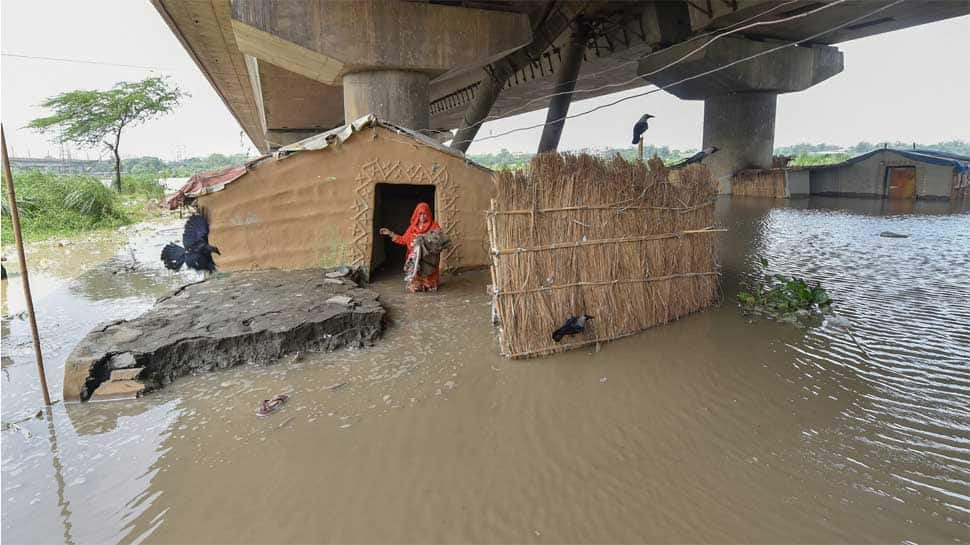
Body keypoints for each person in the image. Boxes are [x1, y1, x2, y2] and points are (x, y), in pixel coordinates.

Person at [379, 202, 442, 292]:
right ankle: (417, 284)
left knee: (428, 276)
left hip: (428, 259)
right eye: (420, 214)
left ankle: (428, 284)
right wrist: (390, 233)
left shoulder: (434, 226)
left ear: (428, 214)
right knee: (415, 279)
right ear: (416, 214)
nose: (423, 216)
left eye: (425, 214)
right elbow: (403, 240)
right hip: (414, 259)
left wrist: (426, 241)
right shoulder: (412, 228)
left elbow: (439, 242)